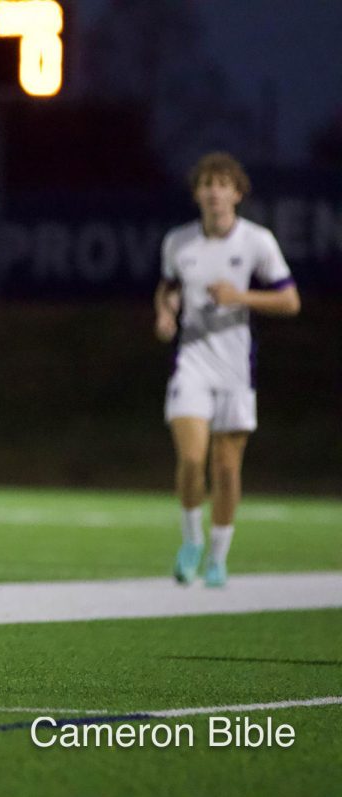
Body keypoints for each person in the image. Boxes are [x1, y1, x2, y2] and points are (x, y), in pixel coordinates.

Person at [155, 152, 300, 588]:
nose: (215, 192)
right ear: (197, 192)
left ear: (237, 193)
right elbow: (168, 288)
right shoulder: (178, 242)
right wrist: (164, 313)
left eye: (223, 184)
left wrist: (241, 297)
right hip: (192, 365)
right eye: (207, 184)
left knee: (226, 469)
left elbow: (290, 301)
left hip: (236, 369)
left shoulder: (257, 241)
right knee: (192, 459)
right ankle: (191, 541)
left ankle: (218, 557)